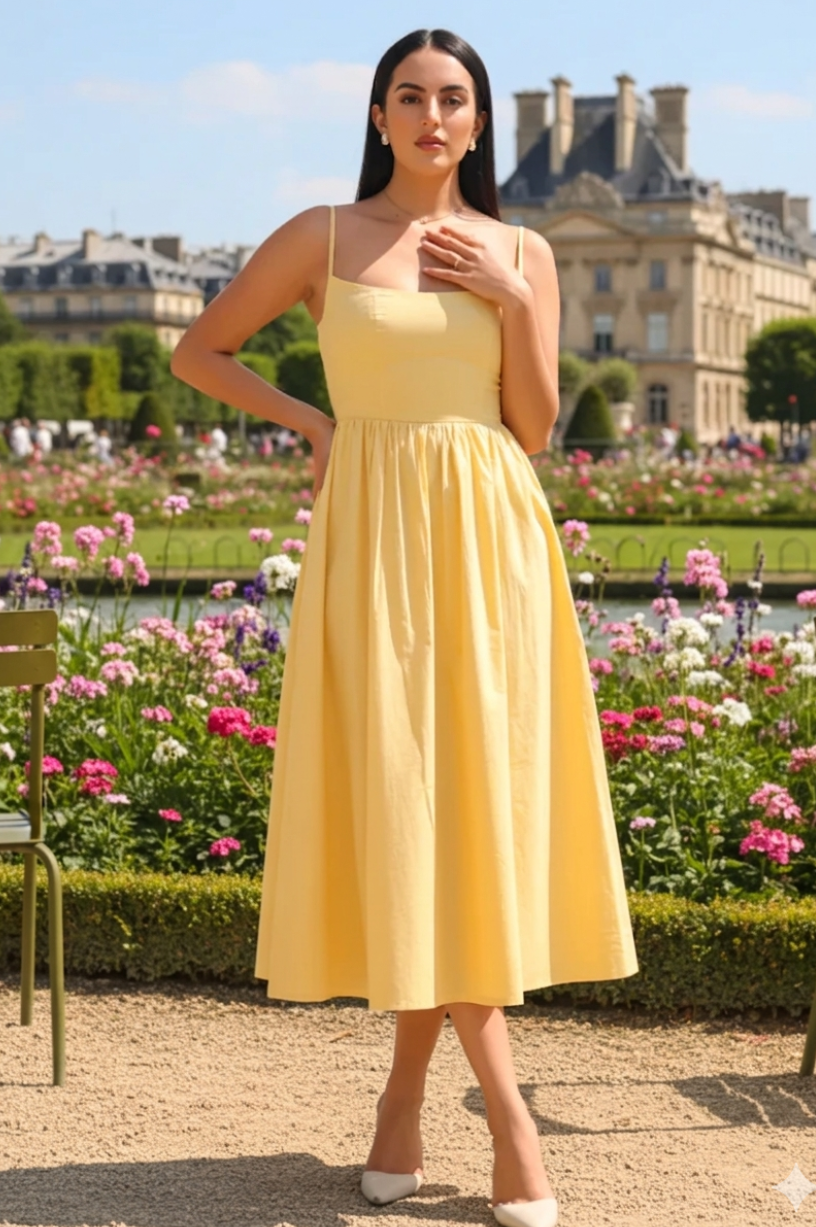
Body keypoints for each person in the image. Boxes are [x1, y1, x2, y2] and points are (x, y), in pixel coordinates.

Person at [170, 28, 638, 1227]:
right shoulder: (324, 236)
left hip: (493, 550)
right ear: (379, 116)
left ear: (479, 125)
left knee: (465, 819)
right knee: (405, 809)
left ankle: (401, 1102)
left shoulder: (524, 246)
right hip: (373, 544)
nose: (434, 116)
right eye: (412, 98)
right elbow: (200, 350)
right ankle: (512, 1117)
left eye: (455, 100)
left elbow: (531, 427)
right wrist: (314, 426)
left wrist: (513, 299)